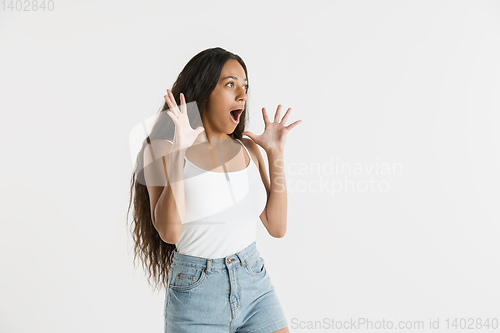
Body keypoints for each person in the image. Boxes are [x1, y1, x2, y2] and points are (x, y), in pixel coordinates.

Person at [128, 47, 302, 332]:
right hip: (197, 293)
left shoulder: (249, 148)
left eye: (245, 86)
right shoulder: (159, 149)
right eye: (230, 84)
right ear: (205, 89)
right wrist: (178, 153)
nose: (243, 95)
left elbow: (277, 226)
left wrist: (275, 154)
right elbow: (170, 233)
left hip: (253, 281)